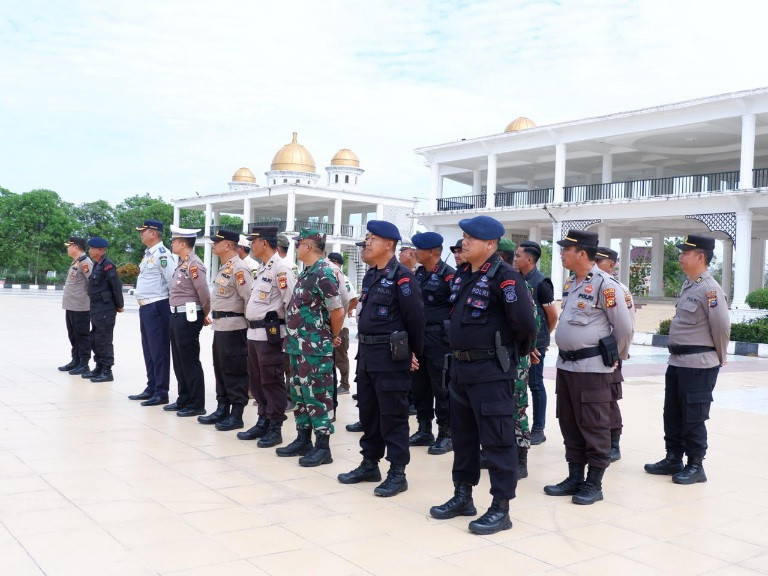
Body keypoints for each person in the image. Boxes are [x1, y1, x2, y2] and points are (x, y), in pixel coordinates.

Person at [429, 216, 536, 535]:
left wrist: (508, 357)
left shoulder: (506, 278)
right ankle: (463, 496)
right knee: (463, 438)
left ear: (490, 244)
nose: (464, 242)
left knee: (498, 441)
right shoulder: (463, 275)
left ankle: (501, 508)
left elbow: (526, 326)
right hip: (460, 370)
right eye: (464, 236)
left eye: (471, 238)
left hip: (491, 372)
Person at [544, 230, 633, 505]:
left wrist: (616, 357)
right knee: (569, 422)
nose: (561, 253)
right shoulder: (573, 282)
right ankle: (574, 477)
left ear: (581, 253)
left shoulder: (606, 285)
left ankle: (594, 483)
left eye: (566, 249)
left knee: (594, 425)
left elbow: (624, 327)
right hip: (566, 367)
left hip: (592, 369)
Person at [337, 220, 425, 497]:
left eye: (372, 239)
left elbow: (416, 321)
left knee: (393, 416)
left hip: (390, 358)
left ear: (389, 244)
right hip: (367, 356)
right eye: (367, 238)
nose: (367, 243)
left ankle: (397, 473)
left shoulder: (403, 278)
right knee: (369, 413)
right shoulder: (371, 276)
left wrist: (412, 354)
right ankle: (369, 464)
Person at [644, 234, 730, 485]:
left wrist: (720, 356)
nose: (680, 256)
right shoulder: (689, 285)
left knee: (693, 416)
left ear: (700, 257)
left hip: (698, 364)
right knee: (672, 413)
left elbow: (722, 327)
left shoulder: (710, 289)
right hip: (677, 362)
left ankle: (695, 465)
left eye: (685, 253)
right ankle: (673, 458)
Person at [277, 229, 345, 466]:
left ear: (308, 246)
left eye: (299, 244)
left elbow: (337, 310)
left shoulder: (324, 272)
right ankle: (303, 439)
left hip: (315, 349)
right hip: (298, 347)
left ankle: (323, 447)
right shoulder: (307, 271)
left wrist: (332, 335)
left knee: (318, 396)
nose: (296, 248)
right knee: (299, 394)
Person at [236, 226, 296, 446]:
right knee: (256, 380)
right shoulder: (262, 268)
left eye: (253, 241)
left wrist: (290, 336)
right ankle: (263, 419)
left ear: (264, 242)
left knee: (271, 380)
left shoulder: (281, 268)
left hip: (271, 334)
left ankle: (275, 426)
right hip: (254, 333)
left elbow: (291, 303)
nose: (251, 245)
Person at [197, 229, 253, 430]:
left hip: (234, 327)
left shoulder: (240, 269)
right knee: (220, 368)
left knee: (234, 370)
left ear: (228, 245)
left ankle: (236, 414)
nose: (213, 245)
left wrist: (248, 329)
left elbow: (249, 299)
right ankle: (222, 408)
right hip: (221, 326)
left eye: (217, 242)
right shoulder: (225, 267)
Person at [408, 231, 455, 455]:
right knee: (420, 386)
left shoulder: (449, 276)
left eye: (418, 249)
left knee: (442, 387)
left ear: (432, 252)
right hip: (420, 339)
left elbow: (456, 309)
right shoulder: (418, 274)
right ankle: (424, 429)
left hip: (440, 341)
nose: (415, 252)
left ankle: (446, 434)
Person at [163, 226, 211, 418]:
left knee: (189, 360)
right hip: (176, 315)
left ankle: (197, 403)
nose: (172, 244)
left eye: (174, 241)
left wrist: (203, 314)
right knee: (179, 360)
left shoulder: (194, 264)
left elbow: (204, 294)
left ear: (183, 244)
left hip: (188, 316)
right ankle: (184, 398)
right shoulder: (182, 263)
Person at [513, 240, 558, 446]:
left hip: (535, 345)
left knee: (535, 384)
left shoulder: (541, 283)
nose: (515, 259)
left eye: (518, 256)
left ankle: (538, 428)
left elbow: (552, 316)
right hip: (519, 342)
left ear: (529, 260)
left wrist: (541, 339)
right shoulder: (516, 278)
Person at [595, 246, 636, 461]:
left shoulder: (618, 289)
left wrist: (618, 355)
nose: (594, 264)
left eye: (598, 261)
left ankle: (613, 444)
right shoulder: (584, 285)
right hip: (589, 355)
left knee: (609, 399)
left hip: (609, 355)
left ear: (611, 265)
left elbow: (626, 326)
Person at [128, 219, 175, 406]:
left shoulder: (162, 254)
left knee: (159, 350)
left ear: (153, 233)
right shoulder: (148, 254)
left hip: (158, 306)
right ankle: (152, 386)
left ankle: (161, 391)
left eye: (143, 231)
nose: (141, 234)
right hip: (146, 307)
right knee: (149, 349)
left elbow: (172, 281)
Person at [84, 237, 124, 382]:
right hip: (96, 307)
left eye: (91, 248)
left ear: (100, 250)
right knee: (95, 338)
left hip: (105, 308)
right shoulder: (97, 264)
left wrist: (119, 304)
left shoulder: (107, 265)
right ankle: (99, 366)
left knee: (104, 339)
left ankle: (107, 370)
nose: (89, 250)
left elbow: (116, 286)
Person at [59, 236, 93, 375]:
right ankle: (76, 360)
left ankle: (84, 363)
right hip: (71, 305)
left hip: (81, 307)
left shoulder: (85, 263)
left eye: (69, 246)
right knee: (73, 334)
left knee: (81, 335)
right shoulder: (76, 262)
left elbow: (92, 282)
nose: (67, 248)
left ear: (76, 247)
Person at [326, 252, 358, 395]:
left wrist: (344, 312)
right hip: (329, 325)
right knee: (329, 357)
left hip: (341, 326)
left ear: (336, 263)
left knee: (340, 356)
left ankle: (345, 384)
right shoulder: (327, 276)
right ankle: (331, 383)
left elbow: (354, 300)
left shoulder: (343, 279)